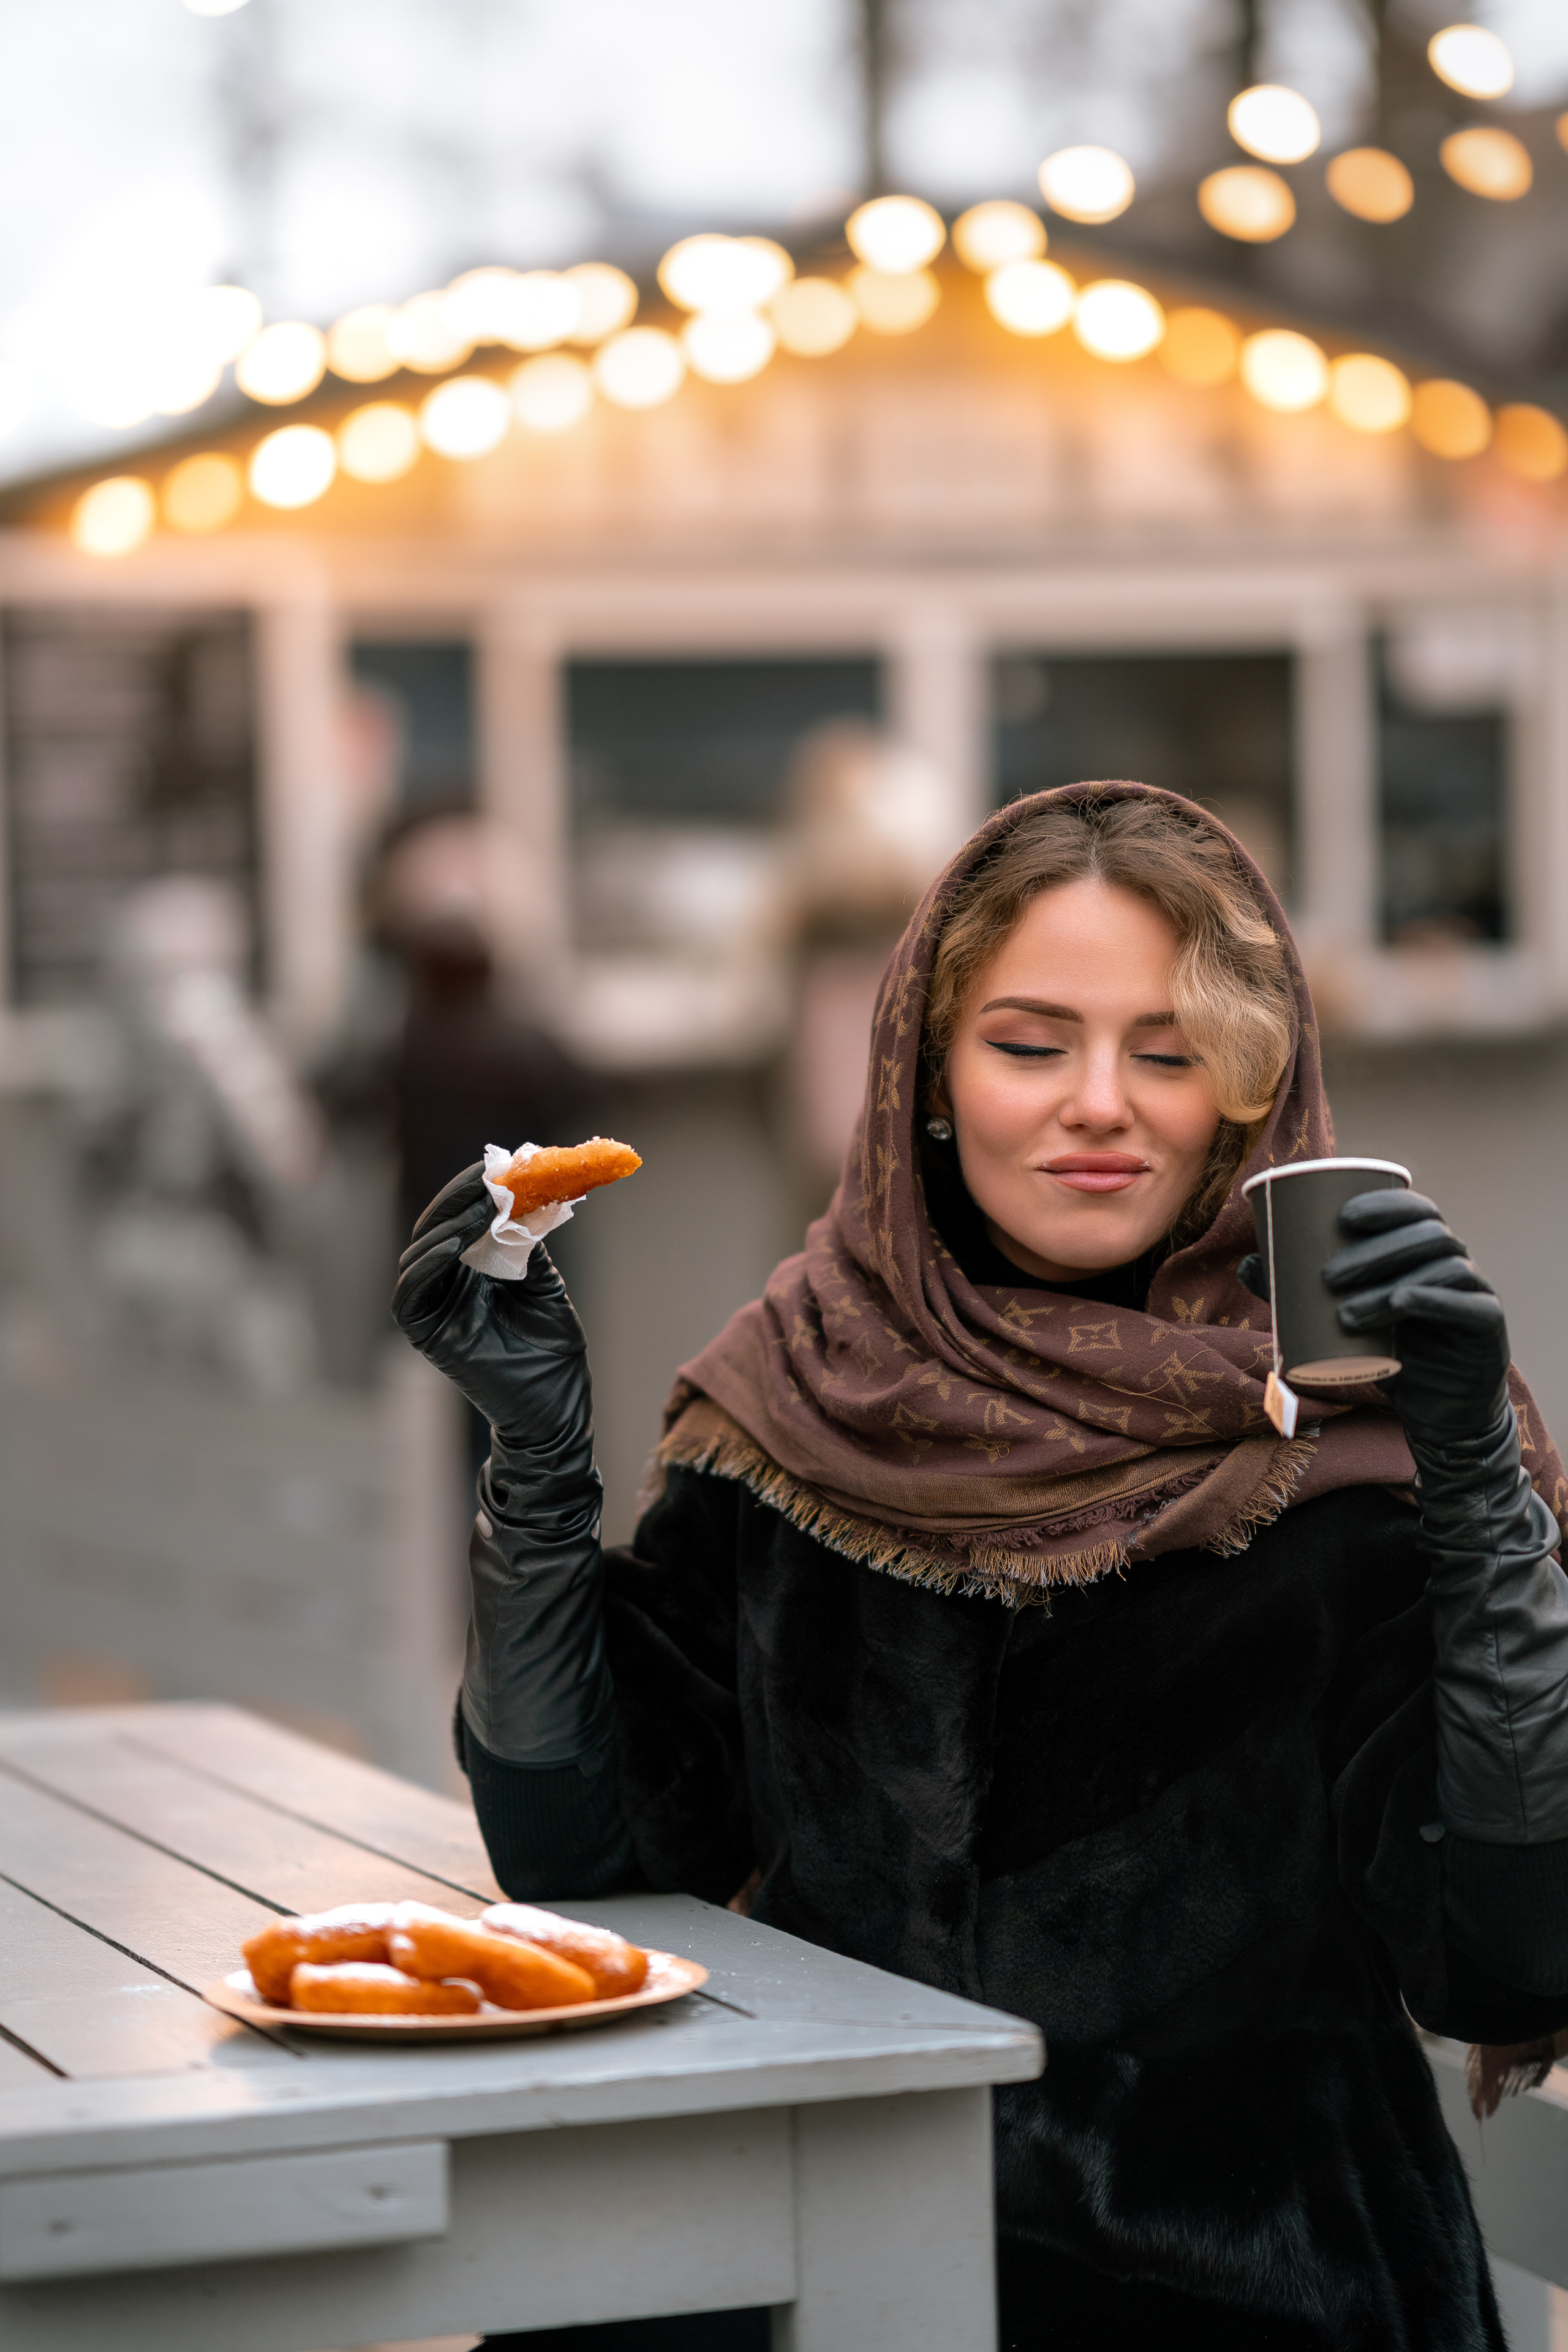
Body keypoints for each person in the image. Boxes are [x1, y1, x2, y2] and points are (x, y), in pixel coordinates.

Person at [394, 783, 1568, 2352]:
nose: (1099, 1102)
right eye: (1028, 1044)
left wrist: (1480, 1487)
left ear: (1241, 1093)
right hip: (798, 2252)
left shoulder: (1342, 1464)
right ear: (927, 1079)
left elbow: (1505, 1952)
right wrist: (537, 1467)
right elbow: (584, 1860)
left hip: (1242, 2295)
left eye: (1167, 1050)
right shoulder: (788, 1406)